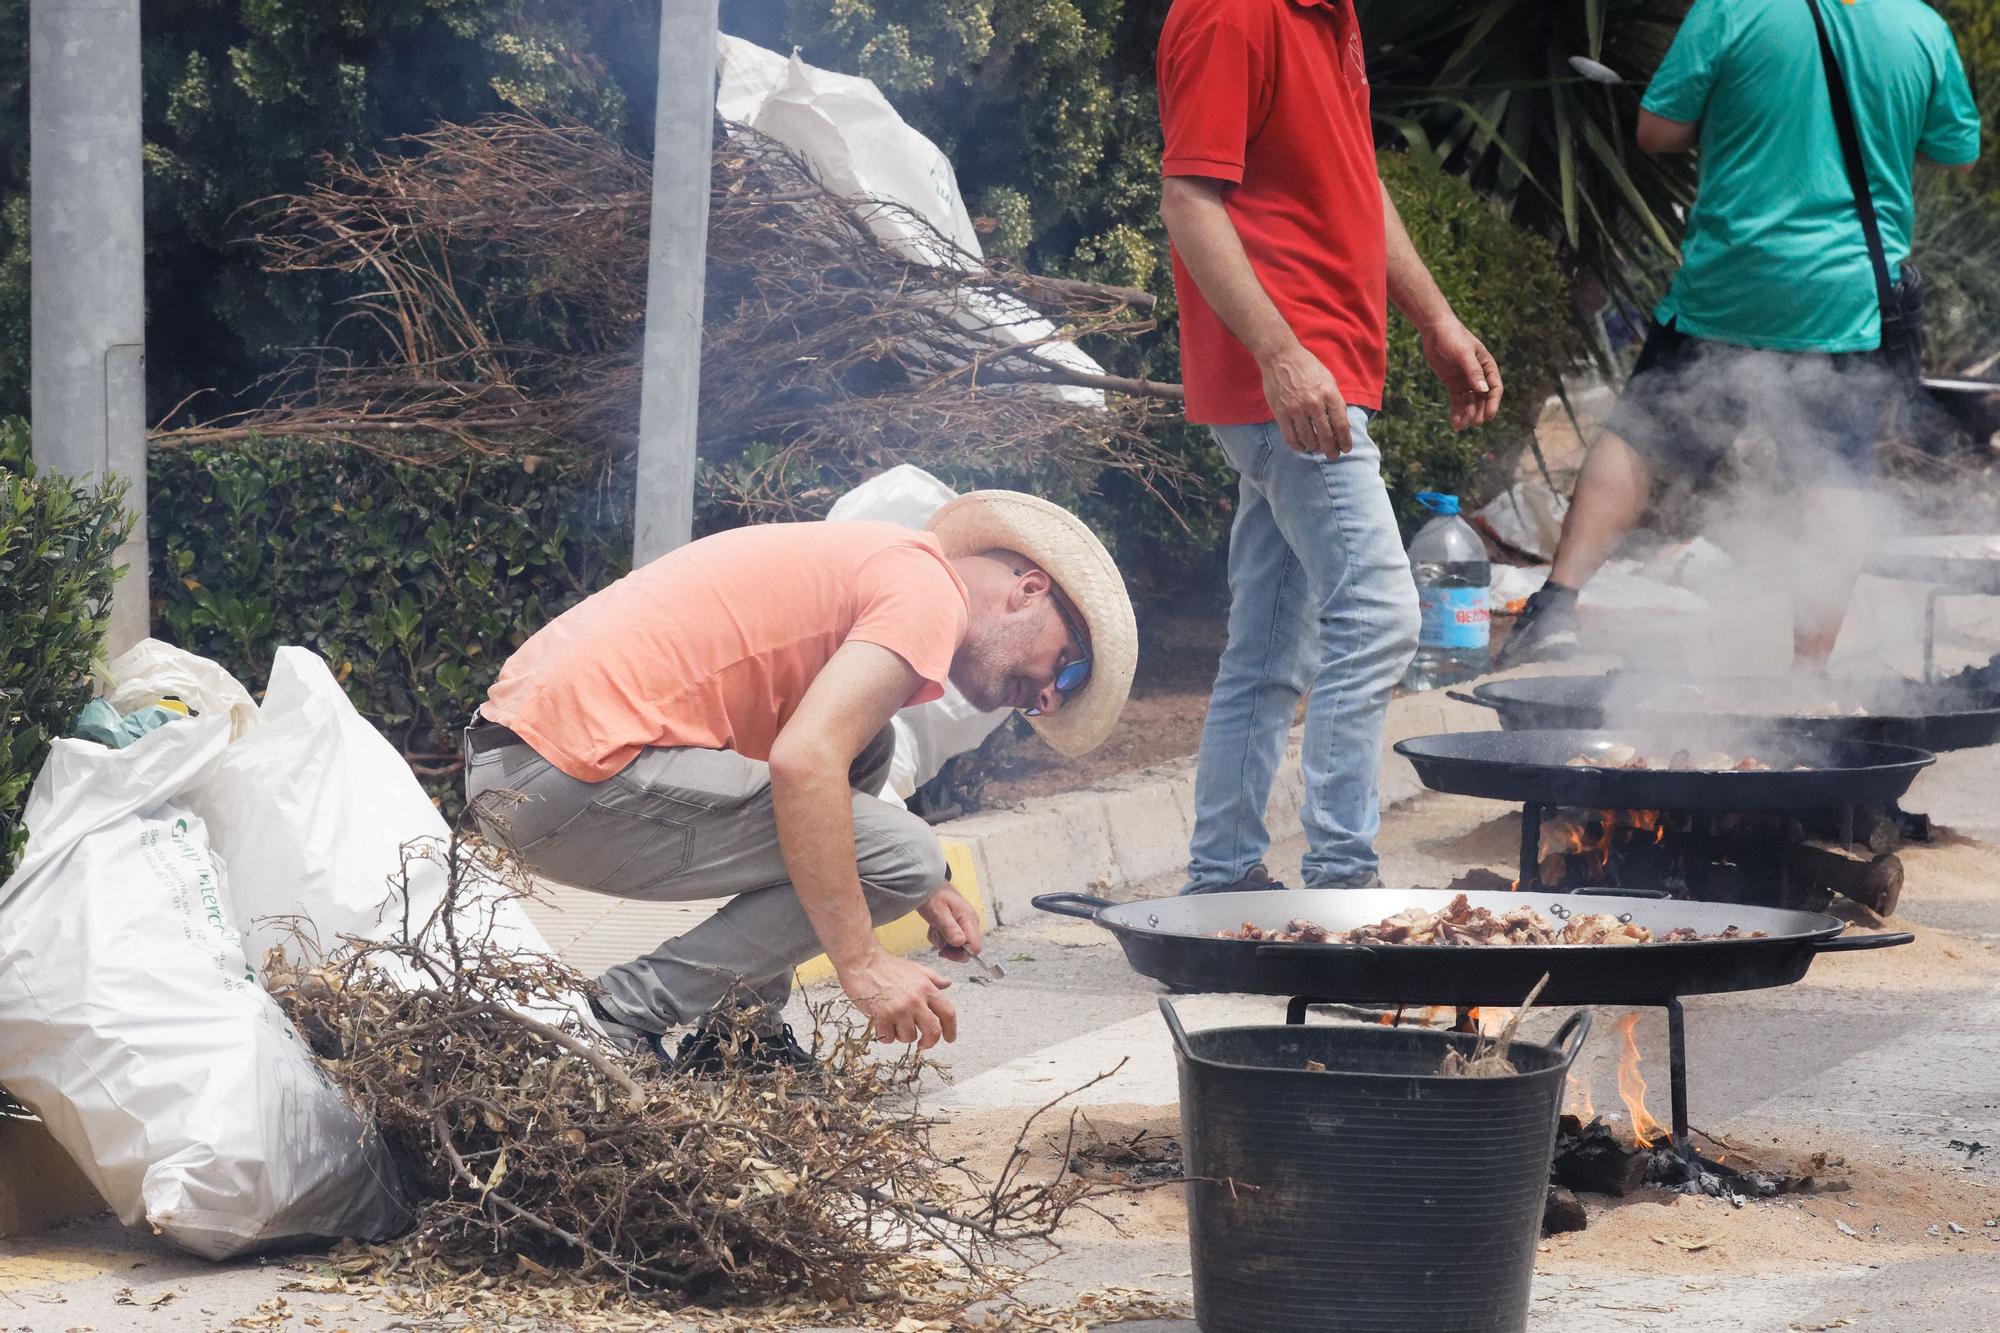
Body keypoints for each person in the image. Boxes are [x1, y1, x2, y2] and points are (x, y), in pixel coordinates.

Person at [463, 491, 1136, 1068]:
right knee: (903, 850)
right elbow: (802, 764)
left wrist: (925, 891)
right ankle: (614, 1015)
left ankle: (742, 1036)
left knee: (868, 750)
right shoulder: (930, 593)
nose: (1047, 699)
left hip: (531, 763)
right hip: (556, 774)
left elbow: (816, 761)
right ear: (1029, 590)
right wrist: (863, 962)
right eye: (1068, 668)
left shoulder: (891, 567)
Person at [1501, 0, 1981, 669]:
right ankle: (1807, 673)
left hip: (1732, 278)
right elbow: (1955, 152)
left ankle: (1554, 608)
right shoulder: (1920, 28)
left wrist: (1741, 119)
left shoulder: (1733, 8)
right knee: (1835, 475)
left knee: (1640, 438)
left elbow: (1656, 131)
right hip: (1846, 296)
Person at [1156, 0, 1505, 895]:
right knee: (1383, 615)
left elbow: (1354, 179)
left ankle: (1224, 876)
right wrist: (1279, 355)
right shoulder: (1233, 14)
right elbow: (1188, 201)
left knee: (1272, 645)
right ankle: (1343, 880)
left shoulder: (1326, 13)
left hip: (1322, 373)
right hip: (1292, 381)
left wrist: (1435, 318)